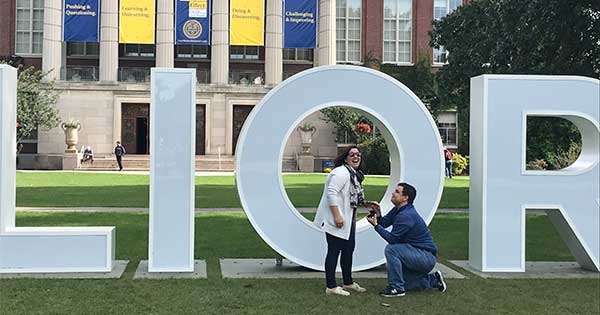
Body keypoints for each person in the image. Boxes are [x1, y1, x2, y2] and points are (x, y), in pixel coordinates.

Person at [313, 146, 378, 296]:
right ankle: (331, 286)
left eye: (358, 155)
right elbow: (331, 194)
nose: (356, 157)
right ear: (345, 157)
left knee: (348, 251)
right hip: (337, 220)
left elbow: (350, 197)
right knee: (334, 252)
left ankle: (347, 282)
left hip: (348, 221)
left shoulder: (353, 174)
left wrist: (367, 203)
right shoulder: (341, 173)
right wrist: (337, 216)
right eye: (352, 155)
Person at [366, 182, 447, 297]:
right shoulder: (398, 210)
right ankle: (434, 280)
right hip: (414, 253)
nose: (393, 193)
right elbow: (384, 223)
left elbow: (393, 240)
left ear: (405, 198)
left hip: (425, 256)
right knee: (406, 282)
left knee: (391, 249)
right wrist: (378, 214)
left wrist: (376, 226)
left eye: (397, 192)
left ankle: (396, 288)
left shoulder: (406, 215)